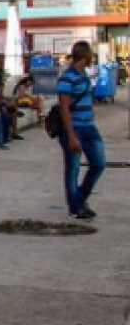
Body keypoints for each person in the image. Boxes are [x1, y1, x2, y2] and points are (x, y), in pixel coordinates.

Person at [56, 41, 106, 221]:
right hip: (74, 128)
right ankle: (75, 207)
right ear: (85, 57)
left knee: (99, 163)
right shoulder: (66, 78)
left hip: (89, 126)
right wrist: (71, 136)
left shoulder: (84, 75)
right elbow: (64, 107)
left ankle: (80, 198)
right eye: (91, 55)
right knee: (73, 168)